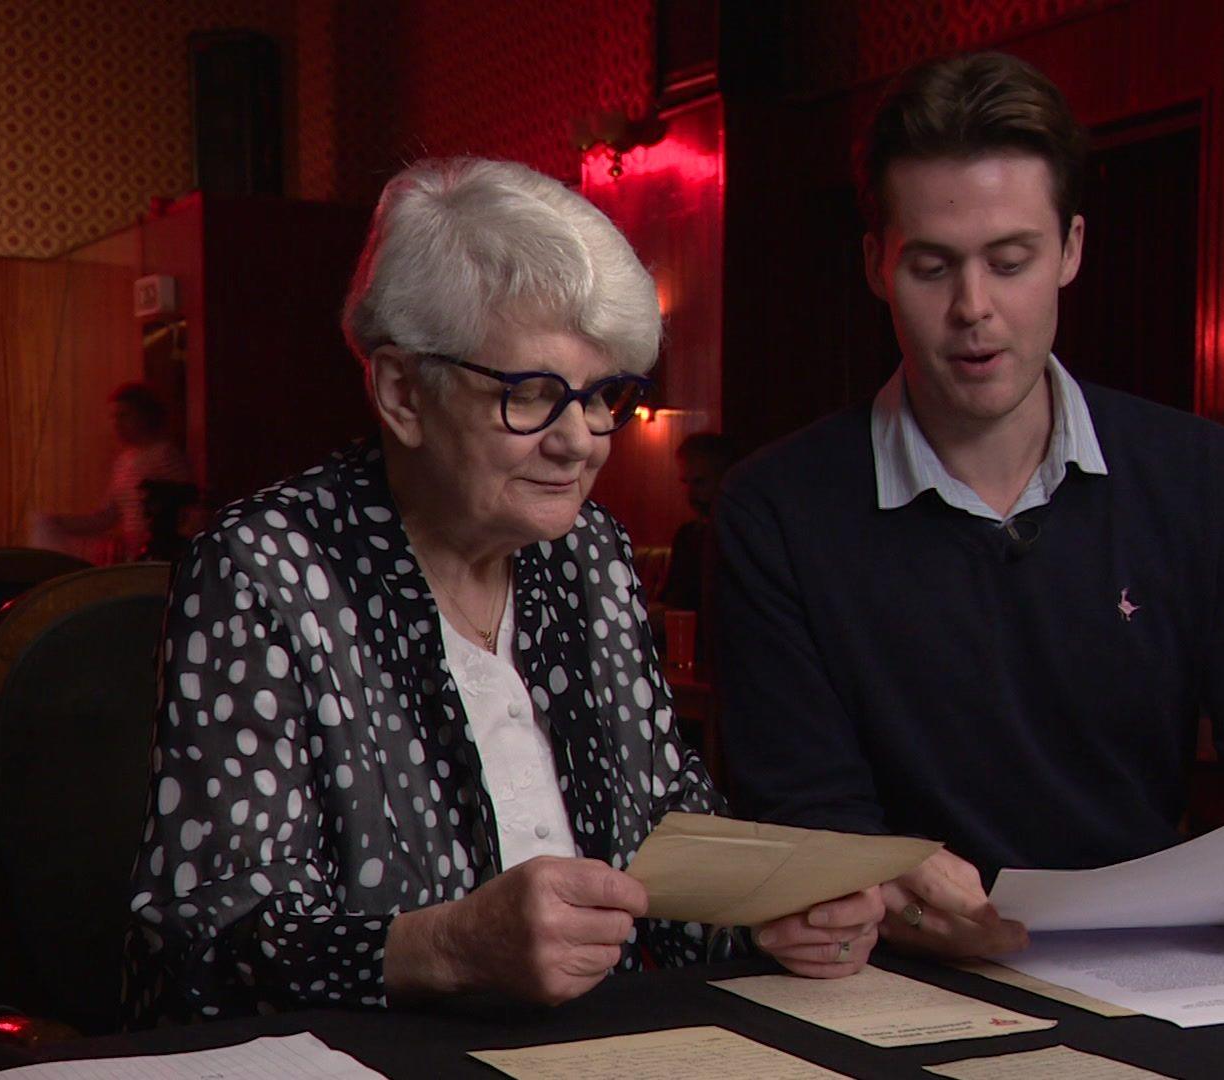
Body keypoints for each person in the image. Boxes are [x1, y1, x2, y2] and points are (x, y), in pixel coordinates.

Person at [123, 158, 881, 1025]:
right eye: (531, 394)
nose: (581, 442)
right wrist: (452, 946)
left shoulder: (588, 553)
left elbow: (663, 860)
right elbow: (208, 945)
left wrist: (764, 913)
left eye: (604, 397)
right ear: (402, 391)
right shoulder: (263, 566)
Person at [714, 52, 1224, 967]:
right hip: (902, 984)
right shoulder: (776, 511)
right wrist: (857, 891)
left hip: (1163, 975)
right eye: (932, 266)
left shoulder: (1207, 481)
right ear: (876, 263)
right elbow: (807, 821)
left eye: (1010, 261)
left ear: (1071, 249)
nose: (974, 308)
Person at [37, 382, 192, 562]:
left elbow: (186, 508)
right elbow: (108, 516)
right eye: (114, 417)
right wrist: (61, 524)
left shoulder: (164, 455)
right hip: (134, 553)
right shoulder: (123, 462)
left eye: (123, 416)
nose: (116, 423)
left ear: (145, 416)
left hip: (159, 553)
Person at [657, 432, 734, 614]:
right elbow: (673, 600)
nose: (690, 494)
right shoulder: (688, 536)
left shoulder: (737, 537)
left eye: (700, 482)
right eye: (686, 482)